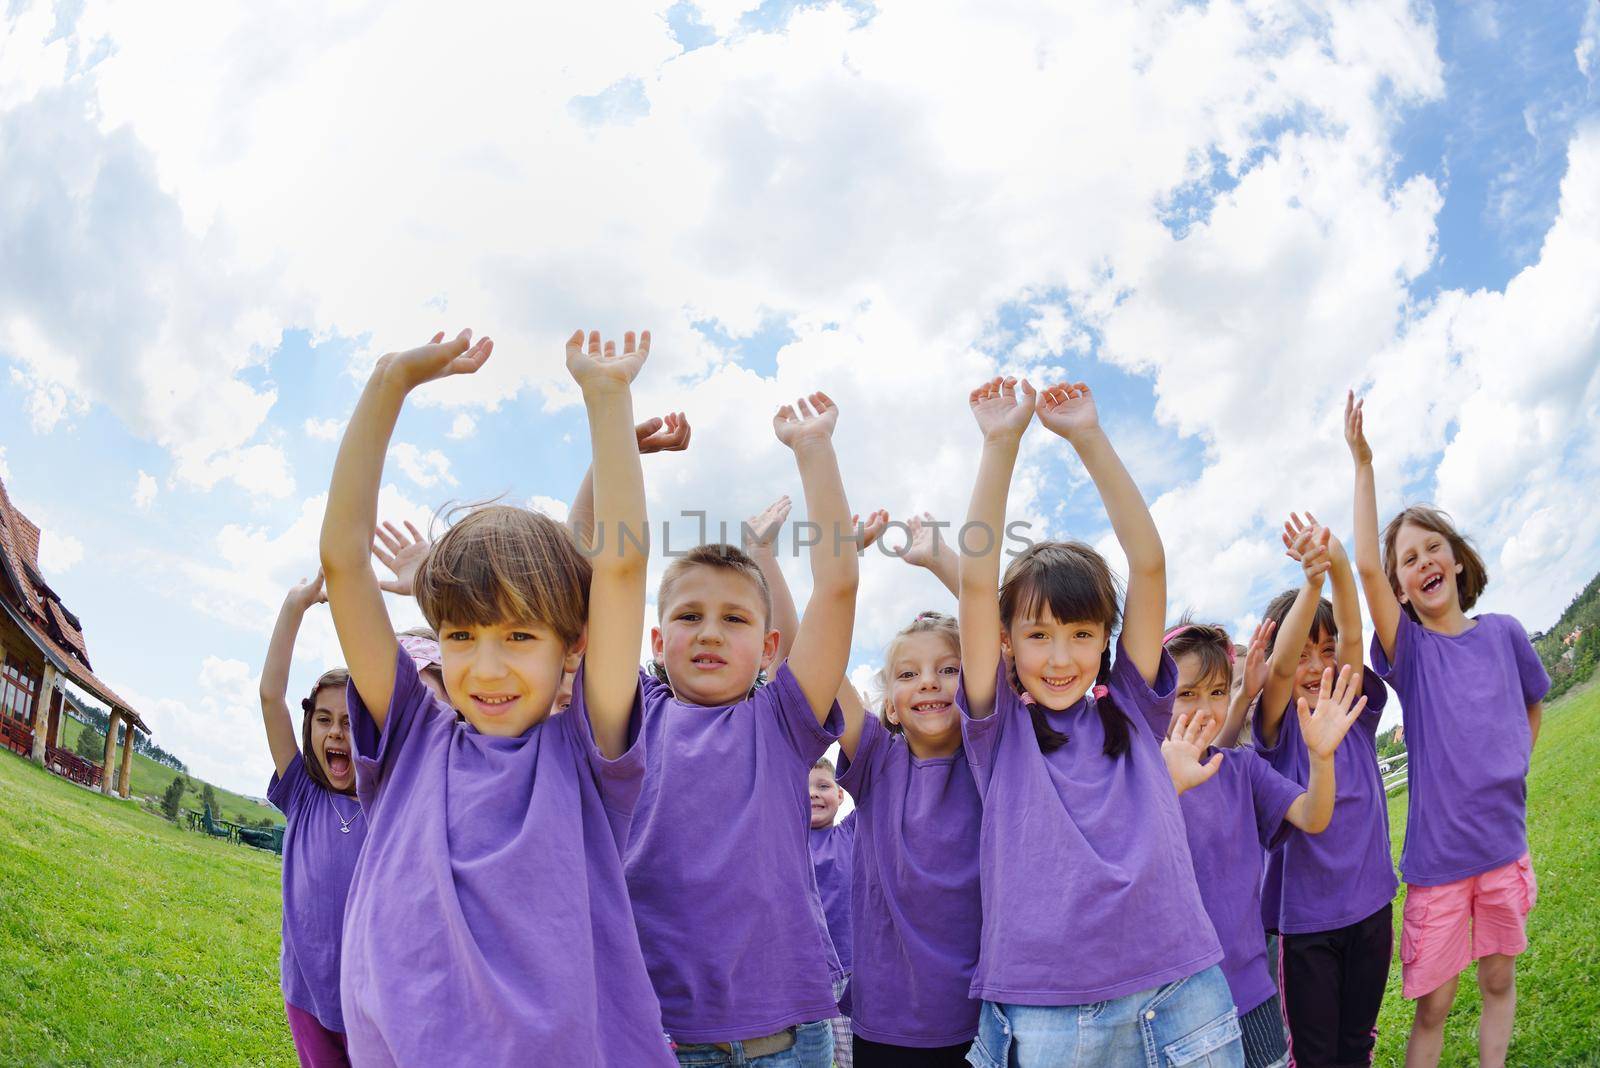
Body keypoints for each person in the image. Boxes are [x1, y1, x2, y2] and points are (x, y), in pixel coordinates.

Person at [319, 327, 672, 1064]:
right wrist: (388, 382)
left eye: (519, 638)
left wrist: (607, 398)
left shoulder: (587, 749)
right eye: (460, 637)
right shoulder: (411, 731)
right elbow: (344, 562)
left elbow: (621, 569)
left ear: (572, 645)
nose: (485, 670)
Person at [955, 376, 1242, 1067]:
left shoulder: (1135, 709)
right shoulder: (998, 733)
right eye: (1038, 636)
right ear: (1004, 642)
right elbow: (974, 581)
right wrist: (1000, 444)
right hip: (1052, 1015)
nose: (1060, 659)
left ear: (1106, 641)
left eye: (1082, 635)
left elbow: (1148, 563)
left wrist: (1087, 435)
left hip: (1181, 988)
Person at [1346, 392, 1549, 1068]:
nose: (1422, 561)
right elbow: (1365, 567)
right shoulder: (1412, 651)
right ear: (1402, 587)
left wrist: (1517, 758)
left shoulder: (1506, 634)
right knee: (1432, 1006)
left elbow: (1532, 703)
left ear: (1457, 561)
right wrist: (1363, 462)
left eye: (1433, 548)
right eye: (1409, 559)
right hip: (1437, 868)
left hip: (1502, 851)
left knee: (1498, 981)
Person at [259, 571, 361, 1067]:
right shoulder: (301, 791)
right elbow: (270, 697)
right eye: (325, 719)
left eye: (350, 721)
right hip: (305, 996)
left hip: (371, 1005)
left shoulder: (392, 801)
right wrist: (294, 607)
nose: (337, 732)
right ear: (309, 726)